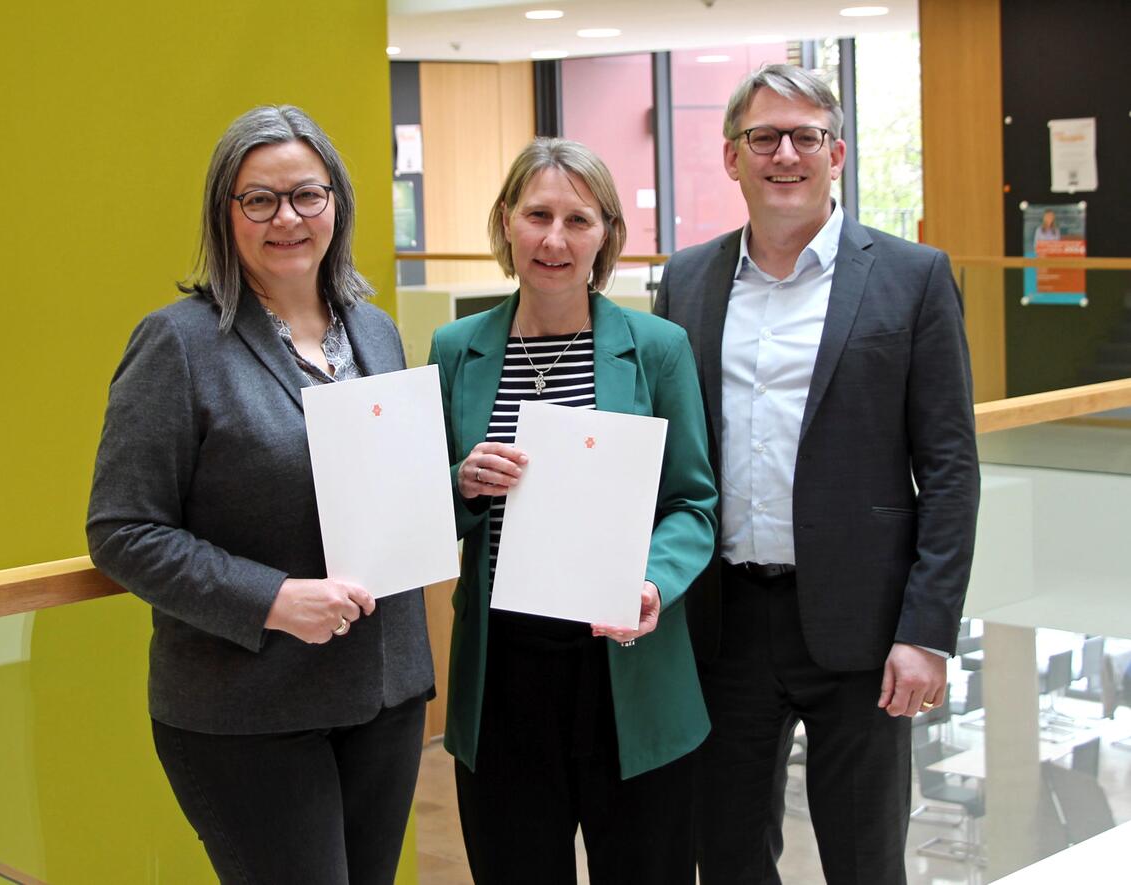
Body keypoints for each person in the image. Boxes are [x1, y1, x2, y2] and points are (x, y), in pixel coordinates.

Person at [86, 105, 433, 885]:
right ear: (225, 212)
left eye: (307, 195)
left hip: (384, 694)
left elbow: (372, 494)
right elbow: (122, 529)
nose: (288, 217)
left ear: (336, 203)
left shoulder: (375, 331)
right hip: (249, 710)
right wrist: (273, 598)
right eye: (260, 199)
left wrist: (452, 483)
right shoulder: (178, 342)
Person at [654, 64, 980, 884]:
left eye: (806, 136)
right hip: (722, 624)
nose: (785, 154)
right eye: (764, 137)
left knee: (865, 860)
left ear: (837, 152)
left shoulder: (913, 277)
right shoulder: (687, 279)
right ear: (732, 158)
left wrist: (927, 631)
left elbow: (948, 469)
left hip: (865, 634)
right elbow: (661, 448)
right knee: (725, 854)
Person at [428, 137, 717, 885]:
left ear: (606, 236)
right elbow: (428, 514)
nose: (554, 239)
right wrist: (459, 484)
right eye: (537, 215)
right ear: (506, 223)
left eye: (578, 220)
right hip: (503, 682)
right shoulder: (456, 349)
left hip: (628, 670)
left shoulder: (656, 349)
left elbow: (693, 503)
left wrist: (651, 580)